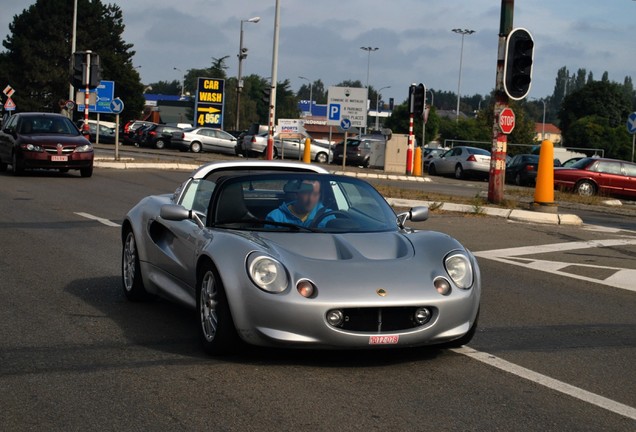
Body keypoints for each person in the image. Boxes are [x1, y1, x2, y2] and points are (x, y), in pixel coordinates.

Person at [266, 179, 331, 228]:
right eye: (306, 193)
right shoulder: (275, 218)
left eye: (315, 194)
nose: (310, 199)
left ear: (319, 196)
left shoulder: (327, 216)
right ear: (297, 194)